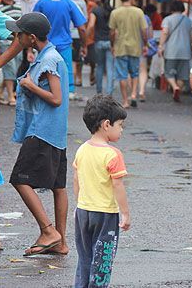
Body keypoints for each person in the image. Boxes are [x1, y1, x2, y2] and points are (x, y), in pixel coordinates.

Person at [7, 13, 69, 256]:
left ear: (31, 38)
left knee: (19, 179)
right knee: (57, 185)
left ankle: (48, 231)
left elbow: (56, 98)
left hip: (42, 130)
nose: (16, 37)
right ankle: (61, 242)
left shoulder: (49, 60)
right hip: (55, 132)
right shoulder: (49, 56)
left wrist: (31, 86)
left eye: (19, 34)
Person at [74, 95, 130, 287]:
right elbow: (117, 185)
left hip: (82, 211)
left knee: (85, 257)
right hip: (106, 214)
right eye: (120, 125)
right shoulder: (112, 154)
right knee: (102, 262)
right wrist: (125, 213)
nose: (121, 130)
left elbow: (76, 179)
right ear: (107, 124)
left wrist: (80, 202)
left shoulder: (82, 149)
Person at [33, 0, 87, 98]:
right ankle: (69, 91)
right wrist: (84, 45)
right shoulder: (69, 3)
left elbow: (33, 24)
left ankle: (44, 91)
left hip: (45, 45)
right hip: (64, 44)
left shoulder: (41, 2)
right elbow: (82, 28)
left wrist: (31, 48)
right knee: (66, 69)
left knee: (44, 70)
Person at [109, 0, 148, 108]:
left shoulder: (115, 13)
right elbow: (144, 30)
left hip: (121, 47)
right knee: (135, 73)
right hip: (135, 47)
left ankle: (125, 101)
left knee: (122, 75)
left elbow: (112, 32)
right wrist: (145, 43)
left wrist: (112, 45)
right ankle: (134, 94)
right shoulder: (139, 12)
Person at [158, 0, 192, 102]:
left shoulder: (167, 19)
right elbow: (191, 36)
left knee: (169, 72)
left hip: (171, 50)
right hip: (185, 51)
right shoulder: (188, 21)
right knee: (182, 74)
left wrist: (160, 45)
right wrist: (191, 48)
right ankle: (178, 89)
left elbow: (165, 32)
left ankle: (174, 87)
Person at [0, 0, 23, 106]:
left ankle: (0, 92)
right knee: (9, 67)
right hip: (4, 42)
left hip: (19, 43)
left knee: (15, 69)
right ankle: (10, 96)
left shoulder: (19, 6)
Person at [64, 0, 90, 88]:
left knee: (67, 61)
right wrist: (85, 44)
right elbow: (84, 22)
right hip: (77, 34)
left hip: (64, 34)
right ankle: (72, 84)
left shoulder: (62, 0)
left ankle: (69, 84)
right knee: (76, 60)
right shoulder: (81, 2)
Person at [88, 0, 114, 95]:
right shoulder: (113, 11)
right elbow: (115, 29)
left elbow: (90, 25)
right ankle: (109, 92)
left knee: (100, 66)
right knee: (110, 67)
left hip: (98, 41)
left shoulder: (96, 10)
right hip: (110, 42)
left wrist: (86, 38)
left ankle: (99, 91)